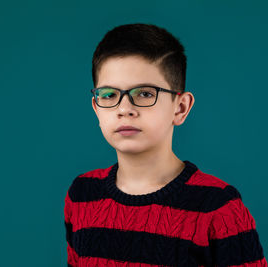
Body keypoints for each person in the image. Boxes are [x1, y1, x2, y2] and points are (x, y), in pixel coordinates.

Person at [64, 23, 267, 267]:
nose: (124, 109)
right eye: (109, 95)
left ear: (180, 108)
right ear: (96, 108)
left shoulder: (218, 206)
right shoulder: (82, 194)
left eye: (145, 94)